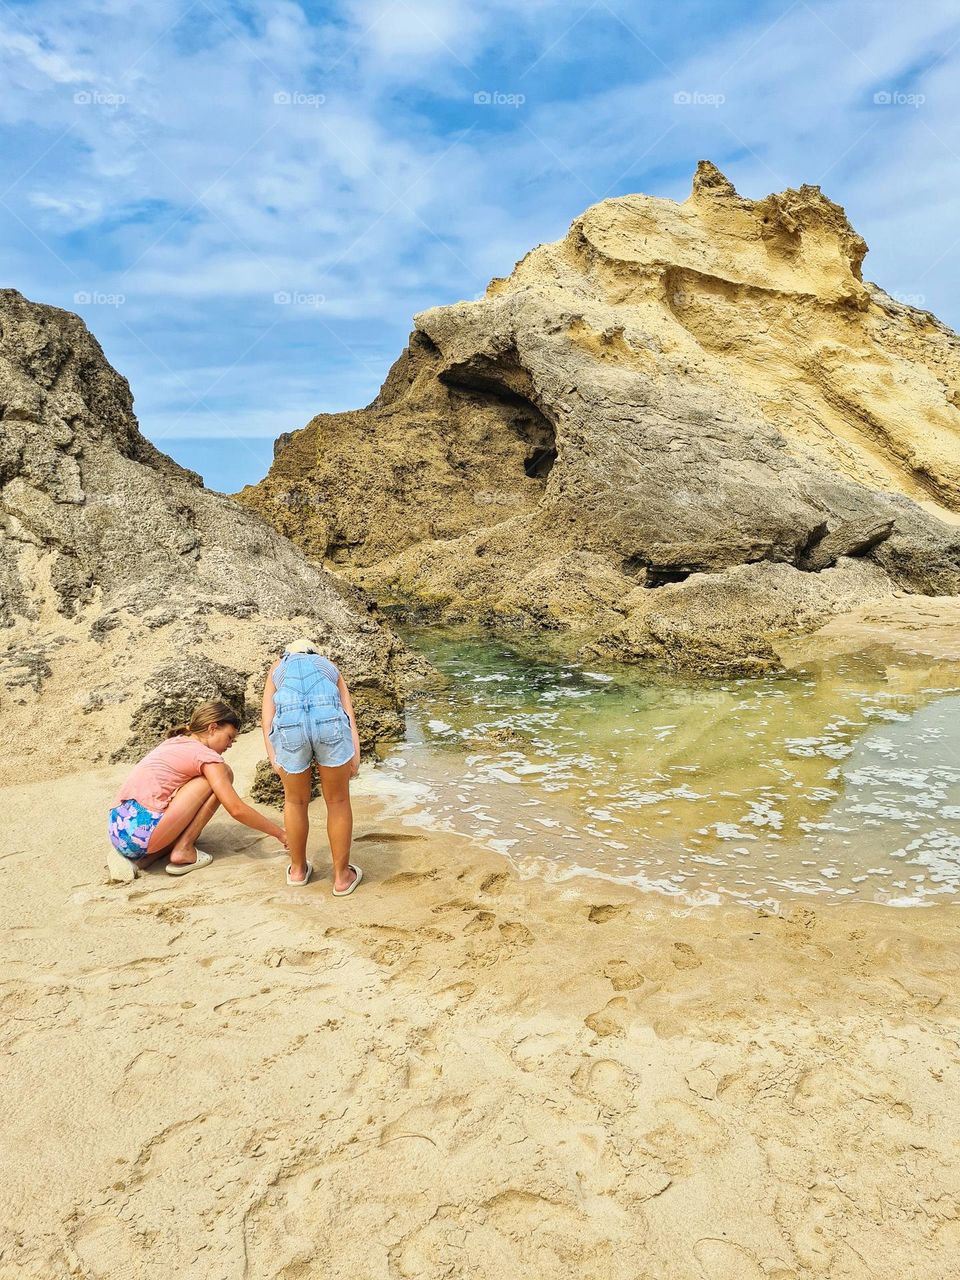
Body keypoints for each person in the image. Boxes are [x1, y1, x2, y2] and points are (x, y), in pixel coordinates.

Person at [108, 700, 287, 875]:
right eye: (229, 737)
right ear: (213, 728)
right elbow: (236, 809)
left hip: (118, 829)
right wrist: (281, 834)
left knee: (194, 787)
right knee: (224, 774)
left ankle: (146, 859)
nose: (230, 744)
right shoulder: (206, 756)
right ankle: (184, 848)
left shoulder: (175, 741)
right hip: (141, 833)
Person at [262, 638, 362, 893]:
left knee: (295, 801)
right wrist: (355, 753)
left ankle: (297, 871)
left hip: (291, 730)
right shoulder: (328, 665)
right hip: (329, 725)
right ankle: (341, 877)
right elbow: (347, 711)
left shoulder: (277, 668)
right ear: (314, 652)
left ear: (287, 654)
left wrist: (274, 755)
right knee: (337, 801)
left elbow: (268, 716)